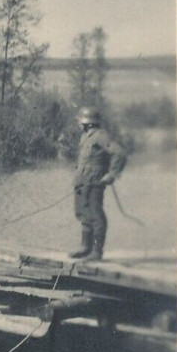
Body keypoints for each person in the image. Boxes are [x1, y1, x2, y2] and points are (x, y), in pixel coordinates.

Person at [69, 106, 127, 261]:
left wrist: (112, 174)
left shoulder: (100, 136)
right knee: (82, 213)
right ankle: (85, 248)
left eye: (80, 121)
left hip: (95, 181)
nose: (78, 123)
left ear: (87, 122)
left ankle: (96, 251)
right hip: (82, 181)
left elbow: (119, 153)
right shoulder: (85, 135)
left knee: (96, 214)